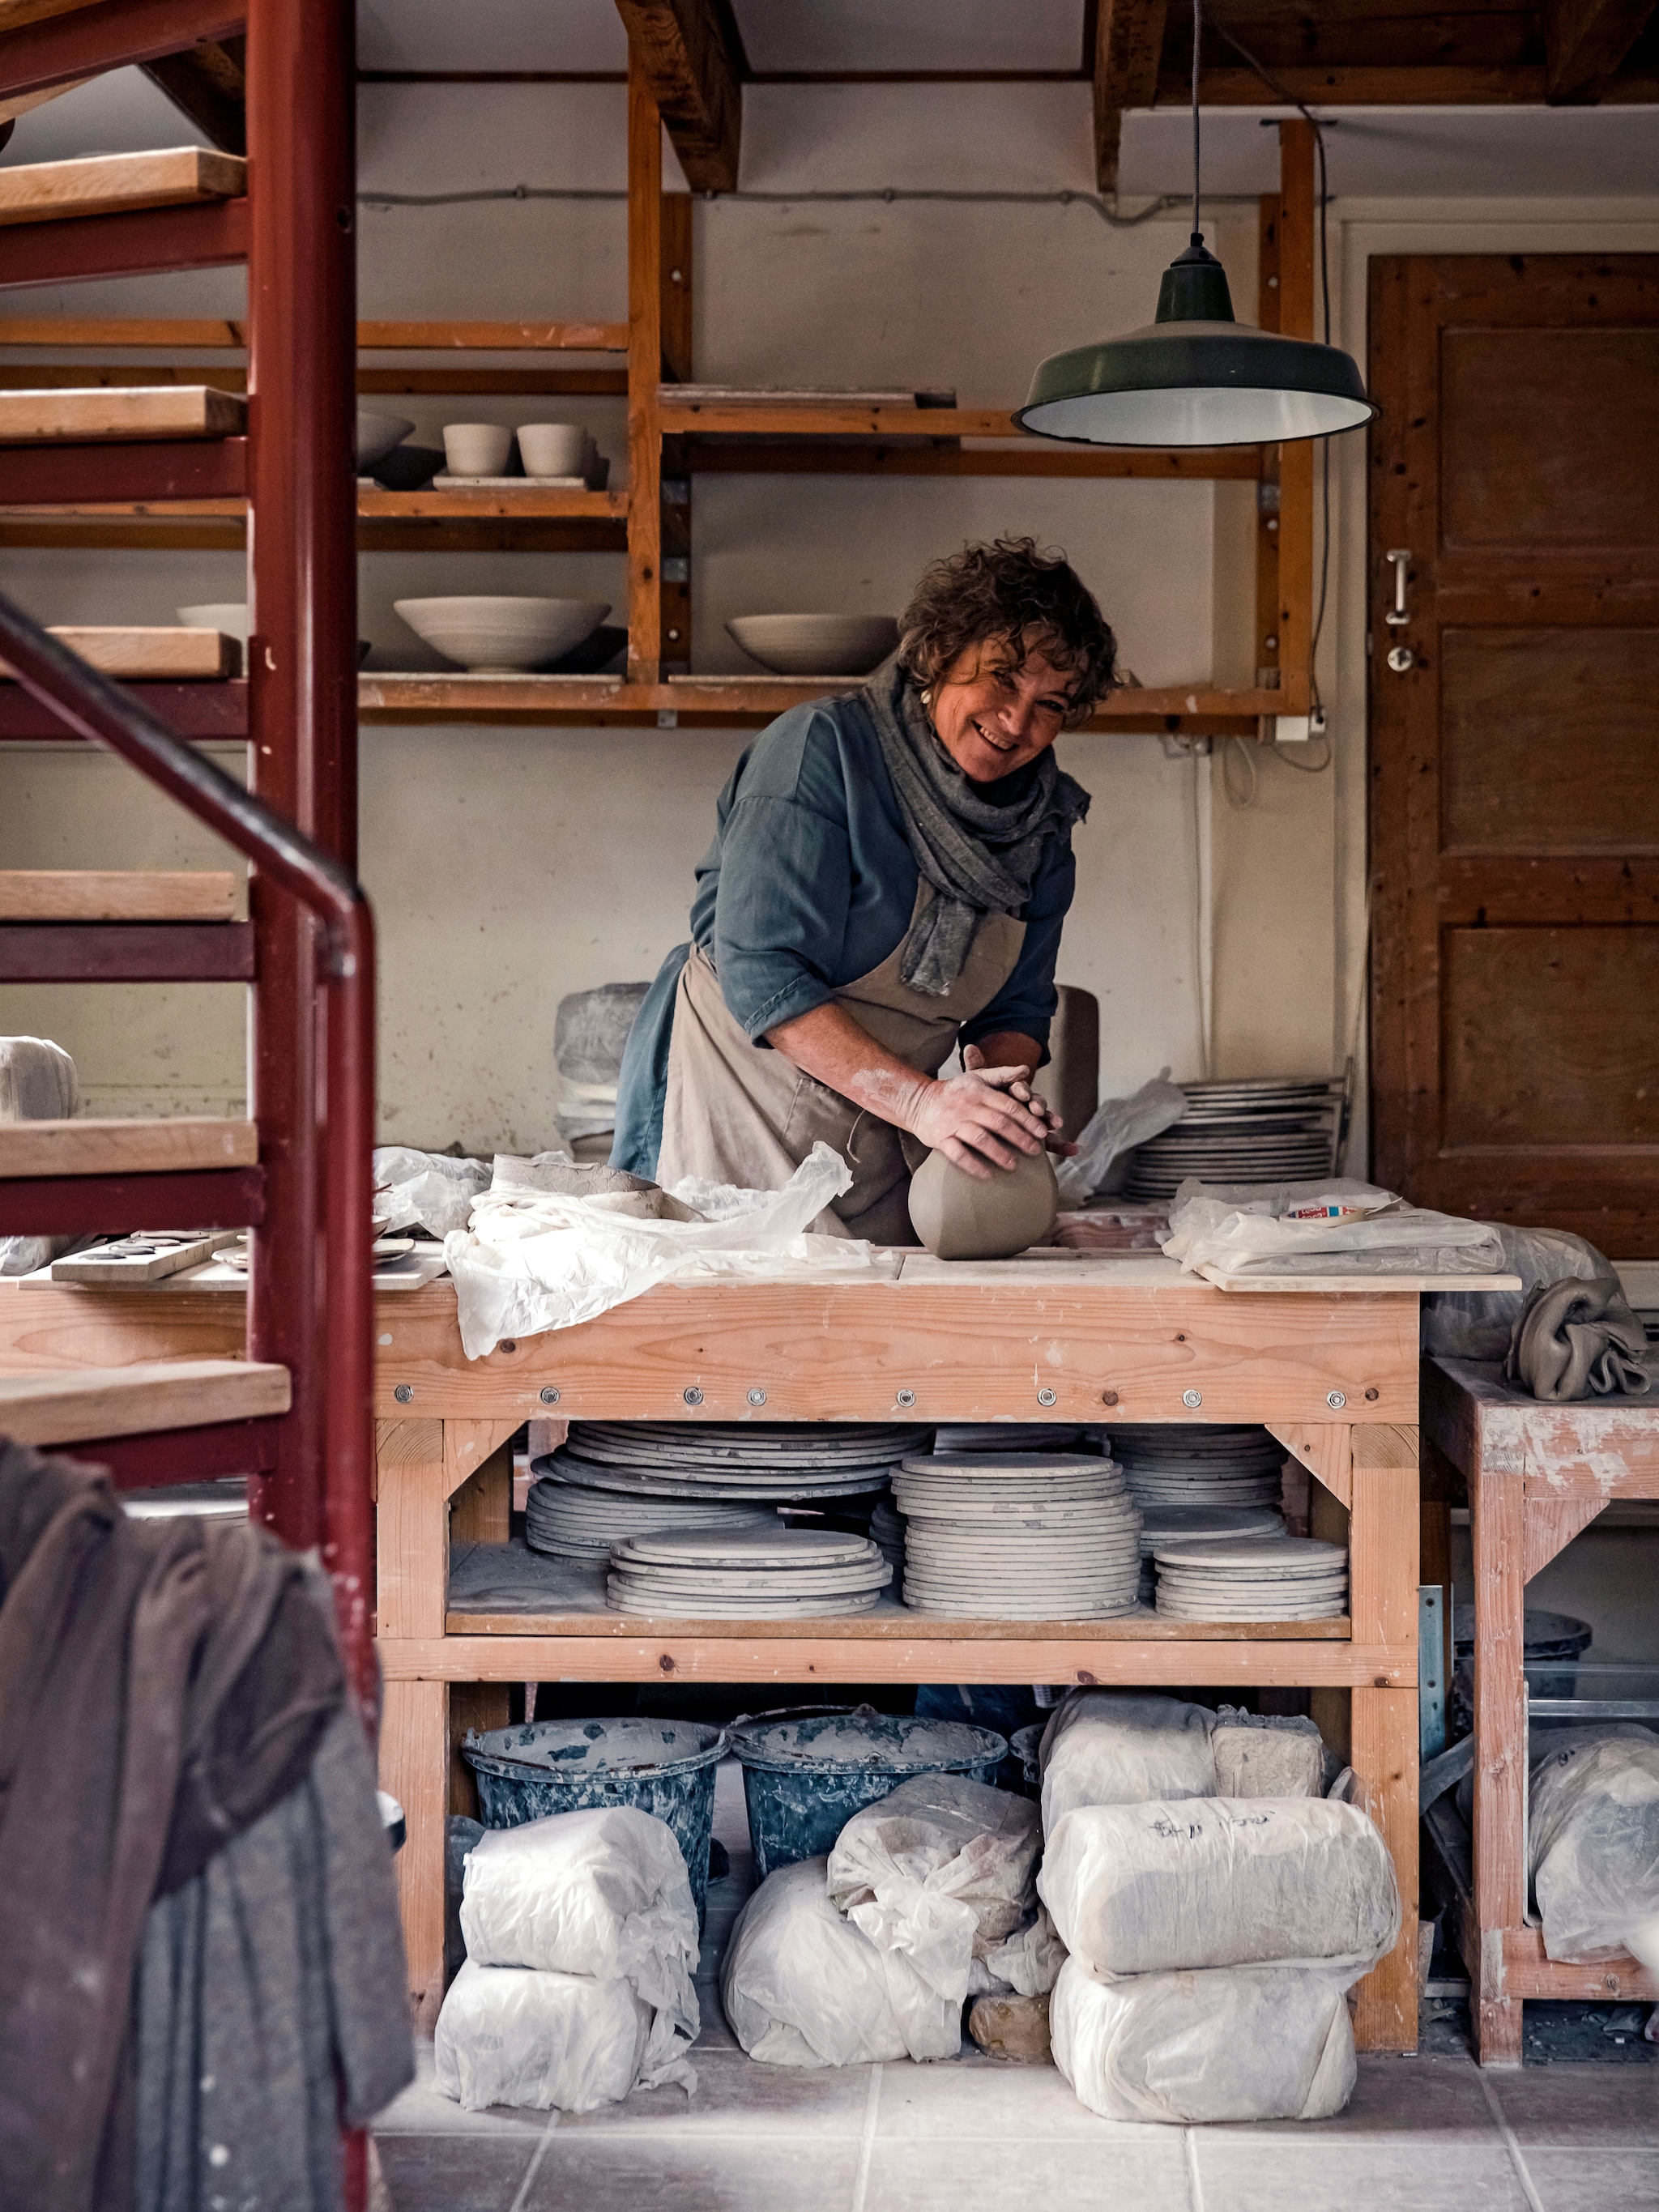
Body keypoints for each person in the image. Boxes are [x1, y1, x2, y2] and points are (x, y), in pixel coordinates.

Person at [612, 535, 1119, 1240]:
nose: (1018, 721)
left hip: (885, 1136)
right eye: (1001, 678)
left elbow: (1018, 1004)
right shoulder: (821, 754)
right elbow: (764, 974)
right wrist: (922, 1105)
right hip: (735, 1107)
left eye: (1052, 703)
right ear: (940, 654)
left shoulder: (1042, 822)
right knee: (734, 1328)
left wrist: (1000, 1108)